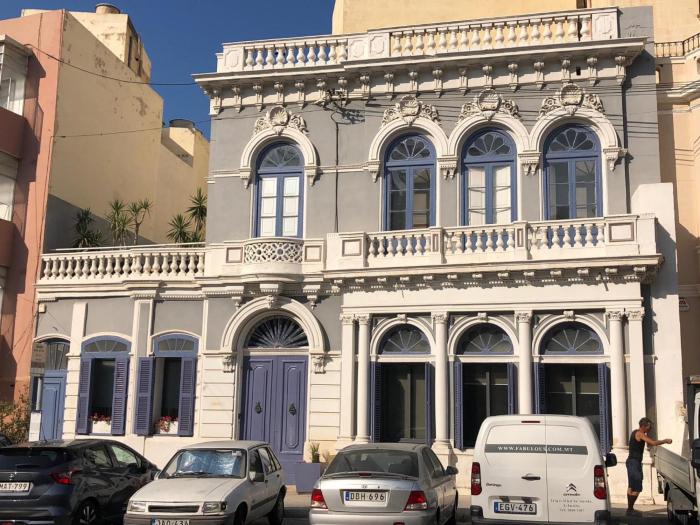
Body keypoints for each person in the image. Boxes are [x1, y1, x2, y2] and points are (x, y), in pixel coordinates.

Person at [626, 417, 672, 516]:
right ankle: (630, 509)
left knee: (631, 486)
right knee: (637, 486)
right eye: (649, 427)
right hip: (634, 462)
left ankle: (630, 509)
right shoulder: (639, 434)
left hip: (632, 462)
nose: (650, 429)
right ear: (644, 426)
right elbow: (653, 443)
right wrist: (665, 441)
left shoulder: (635, 432)